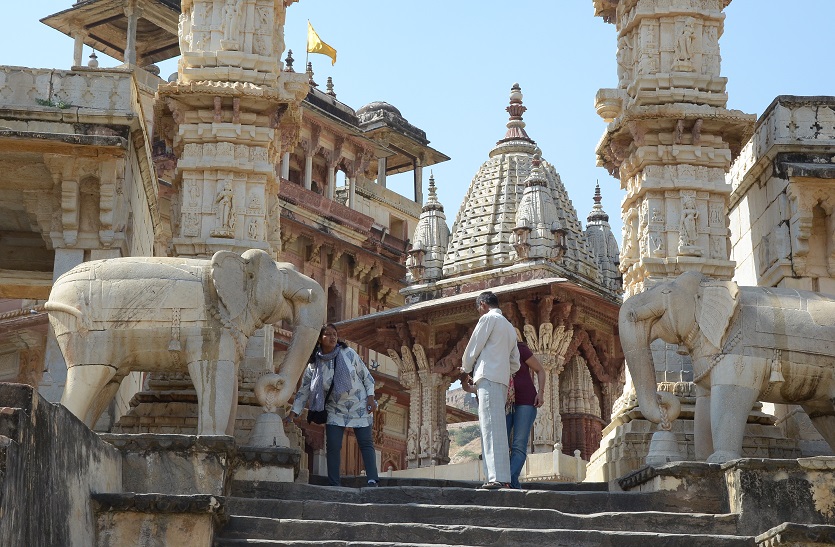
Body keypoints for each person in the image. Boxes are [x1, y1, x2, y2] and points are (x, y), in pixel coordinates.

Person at [286, 324, 380, 487]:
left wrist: (371, 398)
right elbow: (305, 389)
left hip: (359, 403)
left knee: (365, 442)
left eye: (334, 334)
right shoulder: (314, 365)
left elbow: (366, 376)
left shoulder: (348, 354)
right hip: (334, 408)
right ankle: (334, 482)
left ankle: (372, 479)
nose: (332, 337)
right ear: (319, 340)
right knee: (333, 445)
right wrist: (293, 413)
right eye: (327, 334)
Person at [460, 291, 520, 490]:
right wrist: (502, 369)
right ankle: (502, 477)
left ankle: (494, 477)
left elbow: (473, 347)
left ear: (483, 304)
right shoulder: (510, 327)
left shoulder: (488, 319)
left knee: (489, 427)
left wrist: (466, 368)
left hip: (487, 377)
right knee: (498, 428)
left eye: (478, 308)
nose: (479, 312)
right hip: (502, 380)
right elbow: (516, 363)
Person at [505, 341, 546, 489]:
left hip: (526, 402)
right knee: (502, 443)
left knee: (518, 444)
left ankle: (508, 480)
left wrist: (540, 393)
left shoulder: (519, 349)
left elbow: (540, 370)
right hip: (506, 403)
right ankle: (512, 482)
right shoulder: (493, 351)